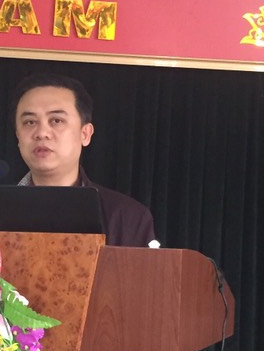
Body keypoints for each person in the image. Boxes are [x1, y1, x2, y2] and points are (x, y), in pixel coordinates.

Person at [11, 73, 159, 247]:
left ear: (85, 134)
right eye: (29, 122)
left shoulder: (128, 218)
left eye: (56, 120)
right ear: (18, 136)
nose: (42, 133)